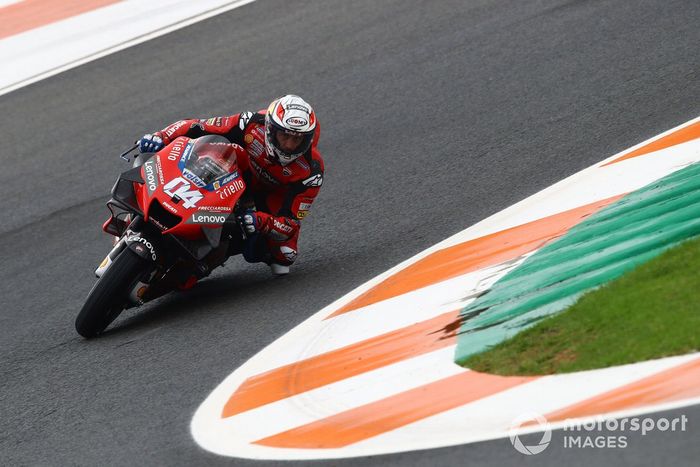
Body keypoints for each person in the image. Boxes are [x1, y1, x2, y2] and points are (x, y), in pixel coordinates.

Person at [138, 95, 324, 275]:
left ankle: (209, 256)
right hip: (235, 173)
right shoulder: (250, 123)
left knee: (284, 256)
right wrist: (161, 136)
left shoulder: (311, 171)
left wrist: (259, 221)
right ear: (270, 129)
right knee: (219, 148)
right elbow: (197, 125)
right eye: (285, 136)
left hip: (271, 196)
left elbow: (290, 223)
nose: (290, 145)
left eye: (297, 139)